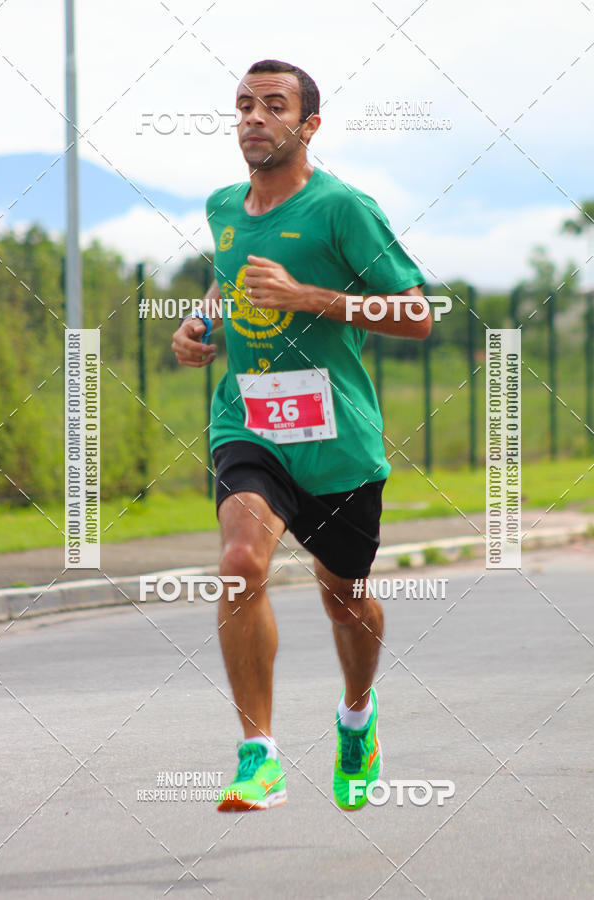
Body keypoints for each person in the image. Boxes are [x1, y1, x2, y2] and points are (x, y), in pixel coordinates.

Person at [171, 59, 431, 812]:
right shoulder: (223, 204)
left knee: (345, 599)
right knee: (240, 561)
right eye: (244, 105)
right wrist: (202, 326)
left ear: (308, 125)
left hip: (338, 441)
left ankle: (357, 716)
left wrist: (307, 298)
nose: (253, 117)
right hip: (247, 423)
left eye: (273, 106)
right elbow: (228, 277)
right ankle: (260, 755)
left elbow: (414, 315)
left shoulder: (345, 208)